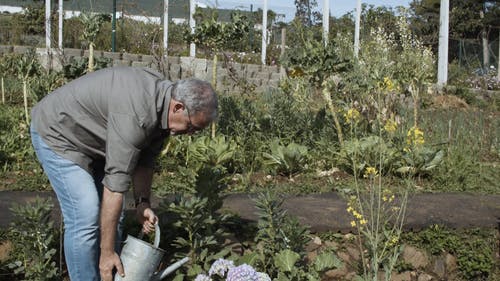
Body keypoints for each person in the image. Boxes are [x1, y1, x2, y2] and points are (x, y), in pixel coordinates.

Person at [30, 66, 218, 281]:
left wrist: (142, 202)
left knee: (115, 216)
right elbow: (115, 188)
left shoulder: (164, 108)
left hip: (98, 139)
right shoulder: (137, 115)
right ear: (177, 107)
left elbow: (145, 161)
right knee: (86, 215)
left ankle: (111, 275)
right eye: (193, 127)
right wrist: (107, 254)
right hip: (60, 134)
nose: (191, 134)